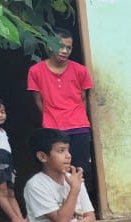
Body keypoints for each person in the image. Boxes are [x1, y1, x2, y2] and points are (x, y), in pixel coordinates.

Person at [28, 29, 95, 201]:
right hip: (53, 129)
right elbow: (38, 100)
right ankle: (60, 208)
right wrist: (50, 119)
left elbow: (83, 98)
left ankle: (82, 209)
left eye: (69, 48)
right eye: (60, 46)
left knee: (80, 169)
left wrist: (82, 120)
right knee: (56, 171)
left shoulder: (80, 70)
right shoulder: (36, 71)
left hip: (79, 126)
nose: (64, 51)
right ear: (50, 45)